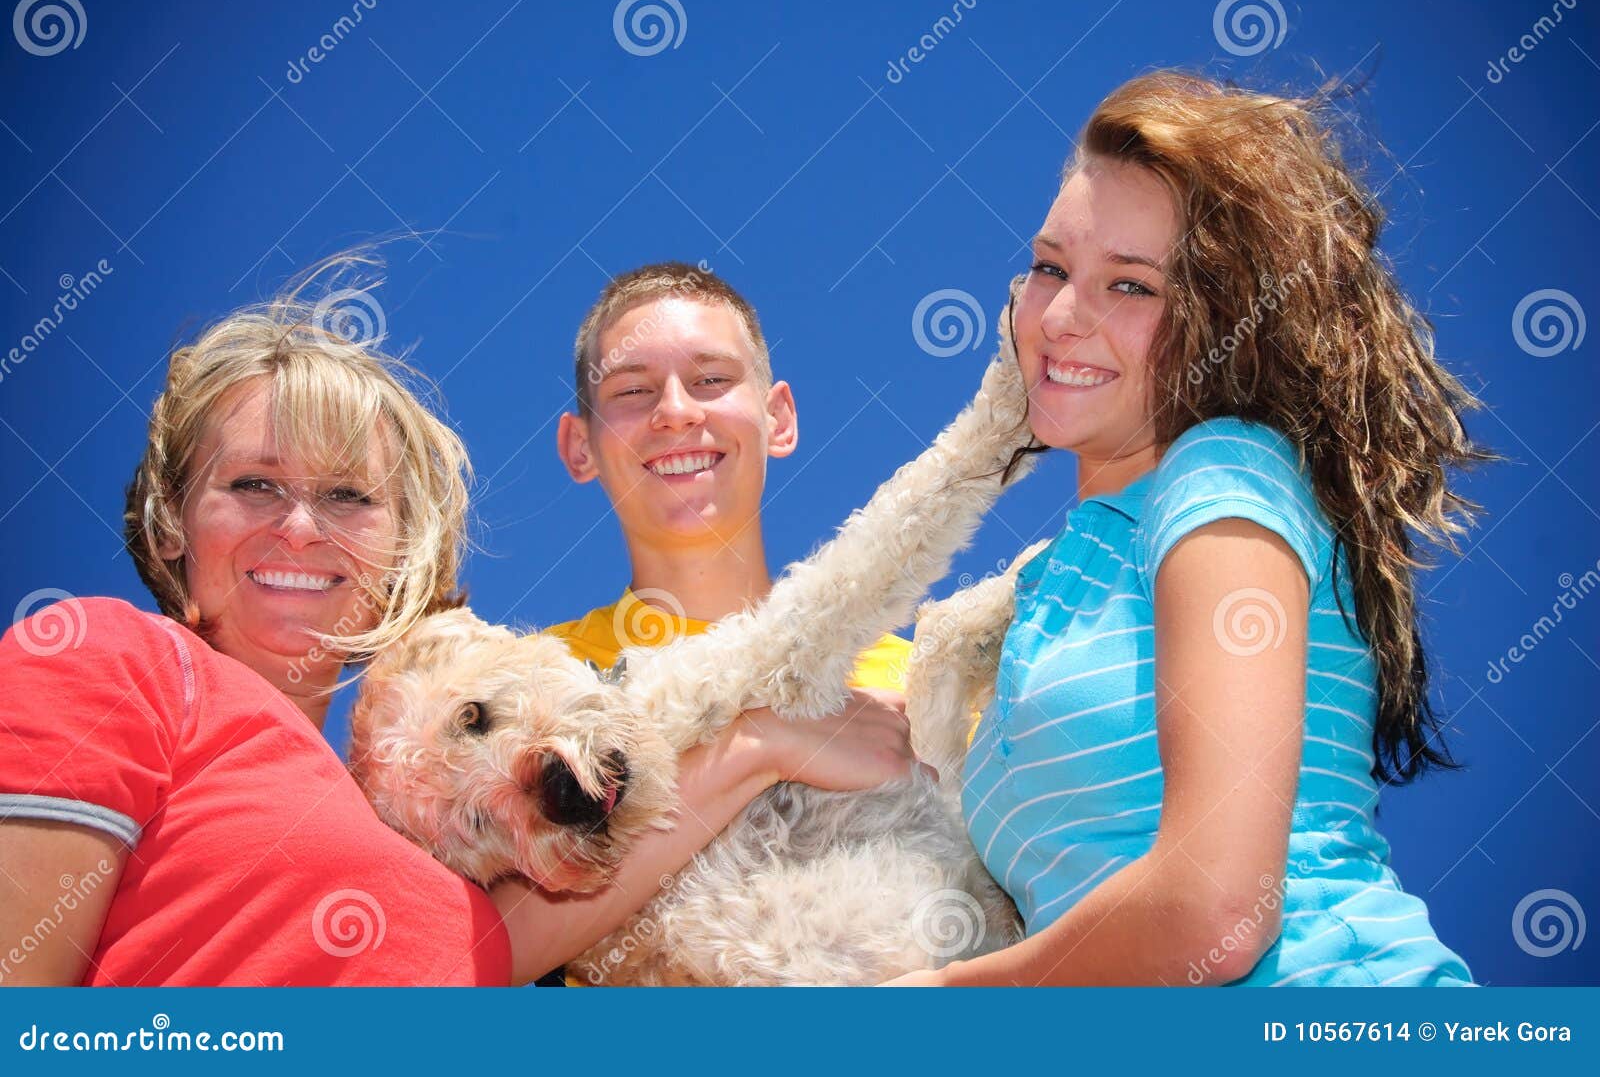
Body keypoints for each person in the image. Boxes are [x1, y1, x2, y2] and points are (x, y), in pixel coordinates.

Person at [0, 254, 918, 986]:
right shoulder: (113, 658)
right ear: (171, 531)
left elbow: (508, 945)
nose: (300, 526)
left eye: (349, 495)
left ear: (409, 552)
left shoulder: (409, 820)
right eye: (254, 485)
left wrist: (758, 747)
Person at [890, 71, 1484, 986]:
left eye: (1131, 286)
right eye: (1051, 266)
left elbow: (1217, 909)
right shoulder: (1054, 581)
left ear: (1230, 320)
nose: (1061, 317)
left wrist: (932, 1003)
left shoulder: (1223, 473)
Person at [549, 262, 910, 690]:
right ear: (580, 447)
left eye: (711, 379)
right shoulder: (525, 688)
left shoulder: (915, 686)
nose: (676, 412)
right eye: (631, 391)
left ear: (778, 419)